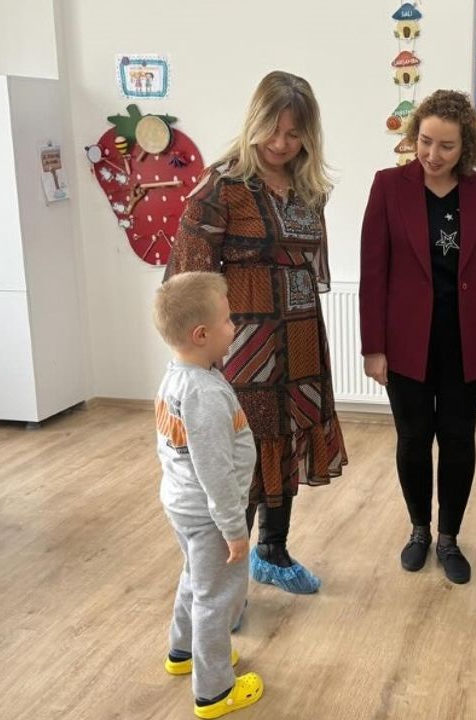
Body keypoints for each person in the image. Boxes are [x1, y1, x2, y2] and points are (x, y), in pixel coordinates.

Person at [165, 70, 346, 595]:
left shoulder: (309, 189)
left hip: (301, 335)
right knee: (240, 453)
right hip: (242, 341)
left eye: (294, 134)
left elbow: (310, 266)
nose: (281, 143)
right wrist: (200, 353)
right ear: (254, 121)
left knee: (284, 440)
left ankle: (273, 552)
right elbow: (189, 281)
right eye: (272, 129)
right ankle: (224, 578)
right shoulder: (221, 188)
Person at [359, 90, 476, 584]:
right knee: (414, 440)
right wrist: (373, 347)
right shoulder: (388, 186)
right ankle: (419, 529)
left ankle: (449, 537)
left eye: (446, 146)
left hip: (466, 339)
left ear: (466, 147)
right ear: (413, 136)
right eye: (425, 141)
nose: (433, 154)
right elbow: (373, 272)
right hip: (405, 343)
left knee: (458, 440)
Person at [153, 272, 263, 718]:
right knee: (217, 598)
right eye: (228, 320)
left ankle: (183, 652)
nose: (234, 327)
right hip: (209, 515)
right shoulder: (204, 394)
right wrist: (234, 529)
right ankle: (214, 691)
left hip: (182, 506)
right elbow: (214, 471)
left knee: (195, 579)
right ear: (201, 335)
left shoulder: (176, 377)